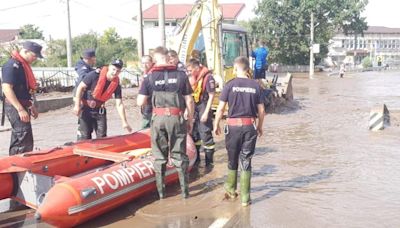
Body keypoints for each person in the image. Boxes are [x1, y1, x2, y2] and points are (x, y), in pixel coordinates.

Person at [137, 46, 194, 199]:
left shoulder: (149, 77)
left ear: (155, 59)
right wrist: (190, 119)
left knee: (159, 157)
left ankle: (161, 195)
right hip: (177, 117)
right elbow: (189, 99)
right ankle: (185, 194)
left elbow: (140, 101)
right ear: (167, 57)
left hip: (158, 119)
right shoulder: (181, 75)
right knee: (180, 155)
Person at [213, 56, 265, 207]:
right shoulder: (255, 86)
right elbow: (261, 111)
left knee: (232, 158)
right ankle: (245, 199)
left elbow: (221, 108)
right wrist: (260, 126)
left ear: (235, 69)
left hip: (233, 127)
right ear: (248, 69)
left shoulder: (230, 85)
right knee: (246, 160)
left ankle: (230, 190)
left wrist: (216, 124)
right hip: (250, 127)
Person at [73, 59, 132, 140]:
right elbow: (80, 87)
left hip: (99, 111)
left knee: (102, 137)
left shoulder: (116, 85)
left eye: (118, 71)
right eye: (113, 69)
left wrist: (124, 121)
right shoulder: (94, 75)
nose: (115, 72)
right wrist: (77, 106)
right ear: (109, 67)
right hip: (86, 109)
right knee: (84, 136)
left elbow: (119, 104)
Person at [1, 41, 43, 155]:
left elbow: (25, 90)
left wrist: (31, 105)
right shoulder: (12, 65)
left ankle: (20, 163)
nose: (35, 59)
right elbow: (6, 88)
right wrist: (20, 109)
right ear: (25, 51)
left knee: (25, 137)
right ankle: (16, 167)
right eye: (34, 56)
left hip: (23, 104)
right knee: (22, 137)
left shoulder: (22, 66)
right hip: (15, 106)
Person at [186, 58, 216, 166]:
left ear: (197, 68)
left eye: (190, 70)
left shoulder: (208, 78)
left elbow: (212, 96)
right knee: (194, 133)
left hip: (204, 105)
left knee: (205, 133)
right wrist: (187, 111)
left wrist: (206, 112)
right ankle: (197, 159)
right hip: (194, 106)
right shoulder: (192, 78)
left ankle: (209, 162)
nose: (189, 72)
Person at [139, 55, 154, 128]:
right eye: (143, 63)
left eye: (147, 63)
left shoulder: (153, 74)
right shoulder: (144, 74)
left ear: (151, 62)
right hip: (145, 104)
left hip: (151, 104)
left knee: (146, 126)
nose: (144, 65)